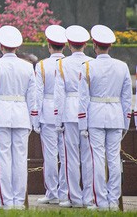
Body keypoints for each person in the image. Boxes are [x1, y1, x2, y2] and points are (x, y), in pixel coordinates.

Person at [0, 25, 37, 210]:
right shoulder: (28, 67)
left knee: (3, 159)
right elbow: (33, 97)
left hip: (1, 115)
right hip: (21, 114)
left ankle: (6, 200)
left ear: (1, 46)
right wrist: (32, 119)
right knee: (20, 159)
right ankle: (18, 200)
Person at [79, 25, 132, 211]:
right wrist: (126, 122)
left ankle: (100, 201)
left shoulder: (87, 66)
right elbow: (127, 99)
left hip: (95, 115)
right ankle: (112, 200)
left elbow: (83, 98)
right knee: (114, 159)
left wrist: (82, 124)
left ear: (94, 45)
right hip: (116, 115)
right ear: (109, 46)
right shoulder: (122, 66)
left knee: (97, 159)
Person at [53, 25, 93, 208]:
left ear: (69, 45)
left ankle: (74, 198)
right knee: (88, 157)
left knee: (71, 157)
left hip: (69, 111)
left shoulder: (62, 64)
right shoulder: (92, 62)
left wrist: (57, 119)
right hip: (89, 113)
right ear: (85, 45)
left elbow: (59, 95)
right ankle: (89, 197)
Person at [34, 25, 68, 205]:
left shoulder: (42, 65)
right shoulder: (69, 63)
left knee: (50, 155)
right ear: (64, 46)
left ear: (49, 46)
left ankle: (52, 192)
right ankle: (64, 192)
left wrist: (35, 118)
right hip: (66, 112)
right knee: (66, 155)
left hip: (47, 112)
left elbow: (37, 93)